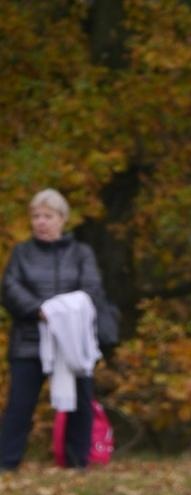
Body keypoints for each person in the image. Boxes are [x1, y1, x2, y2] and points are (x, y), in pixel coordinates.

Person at [1, 188, 108, 470]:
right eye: (35, 216)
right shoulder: (21, 253)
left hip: (72, 344)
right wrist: (41, 311)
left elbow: (91, 290)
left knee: (80, 405)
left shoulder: (81, 253)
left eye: (47, 216)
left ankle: (76, 463)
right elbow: (10, 288)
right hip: (29, 340)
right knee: (20, 406)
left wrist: (63, 313)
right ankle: (6, 464)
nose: (41, 222)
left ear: (62, 219)